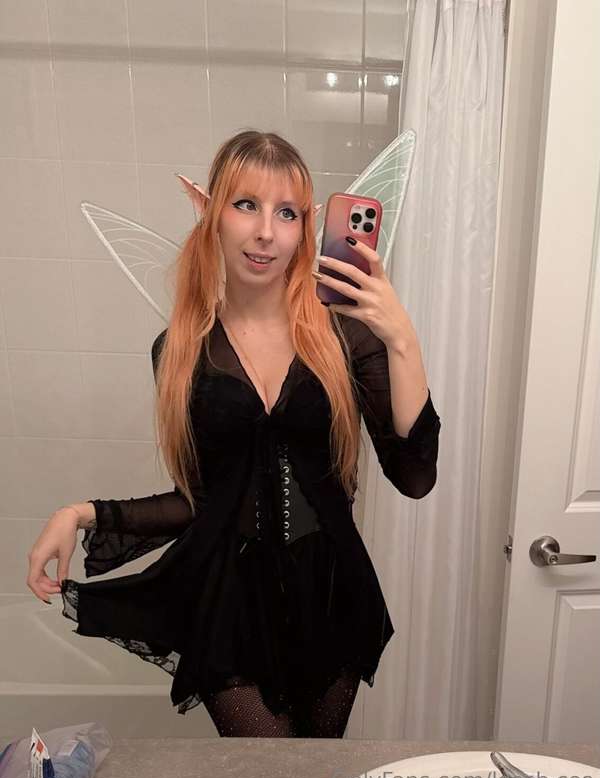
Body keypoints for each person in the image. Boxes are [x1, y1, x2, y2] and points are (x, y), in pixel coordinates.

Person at [26, 129, 441, 738]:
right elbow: (203, 504)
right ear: (211, 212)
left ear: (306, 227)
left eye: (287, 213)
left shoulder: (346, 338)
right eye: (246, 204)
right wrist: (79, 513)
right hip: (227, 603)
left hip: (331, 593)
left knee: (311, 774)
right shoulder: (180, 352)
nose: (266, 232)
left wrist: (402, 339)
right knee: (264, 775)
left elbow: (415, 476)